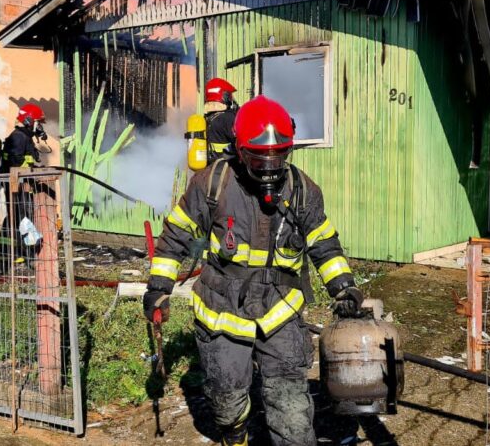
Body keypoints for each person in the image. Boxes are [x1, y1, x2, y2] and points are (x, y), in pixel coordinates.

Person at [143, 96, 363, 445]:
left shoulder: (303, 190)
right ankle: (235, 435)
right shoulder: (213, 184)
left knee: (291, 411)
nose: (269, 168)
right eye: (259, 159)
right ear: (239, 151)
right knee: (227, 401)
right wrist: (158, 287)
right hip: (222, 311)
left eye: (278, 157)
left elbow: (324, 242)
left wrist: (343, 286)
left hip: (281, 310)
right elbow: (176, 235)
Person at [0, 104, 47, 282]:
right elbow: (15, 162)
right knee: (21, 217)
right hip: (16, 186)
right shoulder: (18, 137)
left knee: (16, 217)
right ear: (28, 121)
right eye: (37, 122)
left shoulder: (23, 136)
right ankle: (21, 254)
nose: (39, 126)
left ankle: (11, 252)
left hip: (20, 185)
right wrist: (31, 170)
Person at [204, 78, 240, 162]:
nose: (232, 99)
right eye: (230, 96)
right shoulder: (228, 118)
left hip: (211, 163)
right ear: (225, 97)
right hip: (226, 164)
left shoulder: (207, 118)